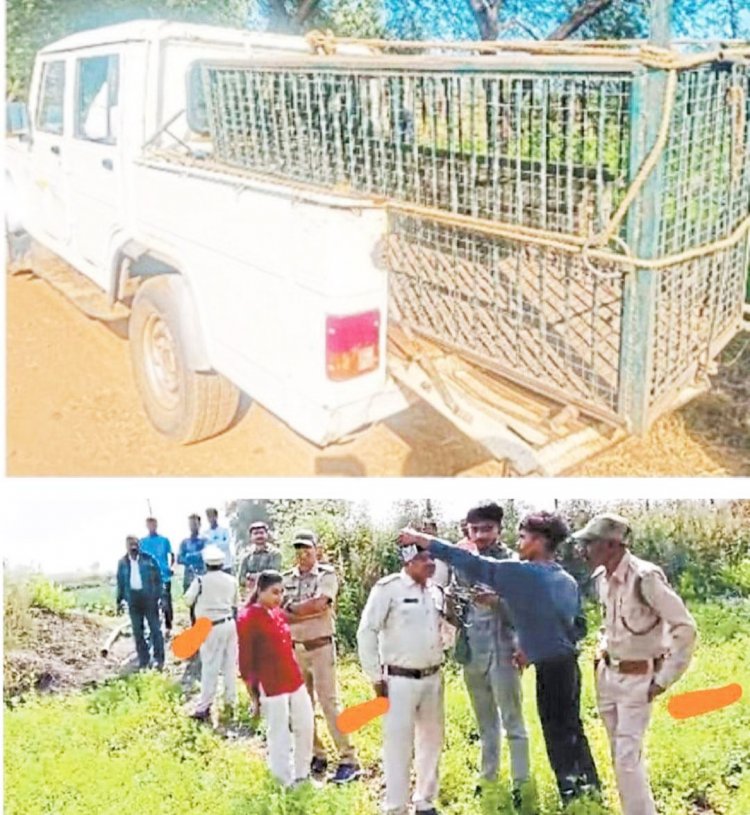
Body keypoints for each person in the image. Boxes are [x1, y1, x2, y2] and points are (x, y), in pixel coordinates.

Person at [399, 512, 601, 806]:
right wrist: (532, 646)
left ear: (539, 541)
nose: (518, 543)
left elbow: (471, 563)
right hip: (567, 664)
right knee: (572, 729)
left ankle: (572, 799)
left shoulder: (525, 573)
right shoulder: (564, 578)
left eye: (523, 537)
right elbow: (574, 626)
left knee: (556, 734)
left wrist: (421, 540)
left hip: (551, 668)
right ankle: (590, 791)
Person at [574, 513, 697, 815]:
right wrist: (602, 652)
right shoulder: (602, 579)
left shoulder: (646, 578)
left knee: (627, 759)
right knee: (621, 755)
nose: (584, 550)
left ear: (611, 545)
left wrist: (663, 679)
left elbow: (685, 628)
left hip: (638, 680)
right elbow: (611, 624)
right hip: (608, 676)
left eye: (590, 543)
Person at [357, 544, 446, 815]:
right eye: (423, 559)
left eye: (432, 558)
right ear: (409, 561)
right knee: (398, 745)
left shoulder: (435, 590)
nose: (430, 563)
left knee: (431, 741)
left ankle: (424, 802)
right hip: (398, 680)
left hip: (433, 677)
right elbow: (367, 631)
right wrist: (374, 676)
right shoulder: (389, 589)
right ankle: (395, 807)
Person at [454, 503, 529, 804]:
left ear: (499, 529)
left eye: (487, 528)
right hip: (473, 652)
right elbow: (458, 606)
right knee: (485, 722)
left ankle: (521, 784)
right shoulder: (464, 563)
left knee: (513, 721)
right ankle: (488, 778)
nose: (481, 535)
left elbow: (525, 612)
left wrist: (497, 600)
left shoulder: (514, 563)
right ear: (467, 531)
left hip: (503, 649)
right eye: (475, 529)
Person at [282, 531, 360, 783]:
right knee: (302, 707)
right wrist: (305, 610)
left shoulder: (326, 575)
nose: (303, 554)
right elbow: (280, 613)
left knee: (329, 705)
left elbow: (320, 605)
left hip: (321, 647)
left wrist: (294, 609)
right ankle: (317, 753)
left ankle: (348, 759)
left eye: (307, 549)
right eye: (299, 550)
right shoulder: (287, 578)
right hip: (296, 649)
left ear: (318, 549)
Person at [237, 570, 314, 789]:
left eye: (281, 592)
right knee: (279, 732)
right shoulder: (248, 617)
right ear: (260, 591)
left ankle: (303, 774)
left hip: (293, 678)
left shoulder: (277, 613)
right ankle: (283, 780)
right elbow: (245, 659)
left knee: (305, 725)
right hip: (271, 683)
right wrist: (253, 693)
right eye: (274, 592)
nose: (278, 597)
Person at [184, 544, 239, 722]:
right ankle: (230, 702)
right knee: (230, 665)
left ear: (206, 564)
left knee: (209, 667)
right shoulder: (232, 580)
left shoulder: (200, 581)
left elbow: (187, 601)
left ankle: (204, 706)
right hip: (229, 623)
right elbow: (235, 603)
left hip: (210, 626)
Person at [116, 536, 165, 671]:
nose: (133, 547)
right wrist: (119, 601)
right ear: (126, 546)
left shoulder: (149, 559)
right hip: (133, 600)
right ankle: (144, 660)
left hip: (149, 598)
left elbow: (159, 579)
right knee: (138, 631)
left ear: (139, 545)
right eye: (130, 545)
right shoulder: (122, 563)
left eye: (135, 544)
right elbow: (120, 583)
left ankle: (159, 659)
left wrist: (161, 597)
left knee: (155, 629)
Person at [139, 517, 174, 636]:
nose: (151, 527)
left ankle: (169, 626)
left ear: (156, 525)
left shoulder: (164, 540)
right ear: (146, 526)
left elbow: (171, 555)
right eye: (149, 524)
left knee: (166, 602)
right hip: (149, 577)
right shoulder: (142, 542)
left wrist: (170, 567)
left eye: (153, 524)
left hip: (164, 575)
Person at [236, 522, 282, 601]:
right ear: (251, 537)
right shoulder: (246, 556)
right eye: (255, 533)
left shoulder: (275, 554)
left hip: (270, 596)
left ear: (267, 534)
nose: (259, 536)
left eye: (261, 533)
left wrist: (251, 577)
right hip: (250, 596)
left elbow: (273, 575)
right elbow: (241, 579)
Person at [177, 514, 207, 600]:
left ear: (200, 525)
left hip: (203, 577)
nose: (192, 526)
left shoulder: (205, 541)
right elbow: (179, 559)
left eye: (195, 524)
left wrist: (190, 556)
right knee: (191, 606)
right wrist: (192, 558)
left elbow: (206, 555)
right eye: (191, 524)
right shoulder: (184, 542)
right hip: (189, 578)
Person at [204, 508, 233, 575]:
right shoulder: (205, 533)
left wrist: (213, 545)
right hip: (212, 567)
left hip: (225, 565)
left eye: (212, 516)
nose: (210, 519)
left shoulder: (224, 530)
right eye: (208, 517)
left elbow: (226, 544)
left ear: (216, 517)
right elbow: (206, 548)